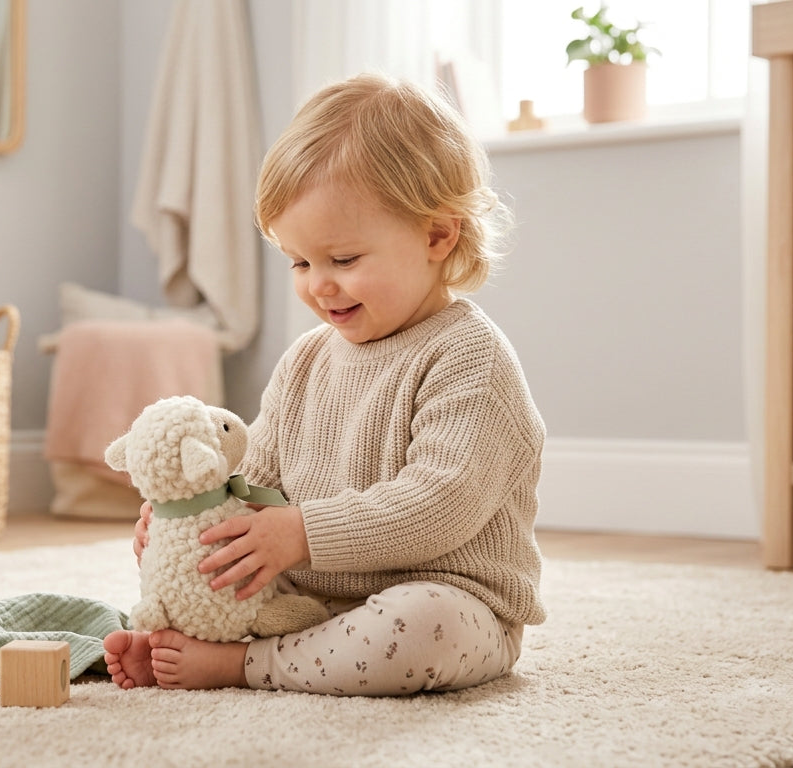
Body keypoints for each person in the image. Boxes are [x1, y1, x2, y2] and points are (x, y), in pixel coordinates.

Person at [103, 72, 546, 696]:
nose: (318, 285)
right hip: (312, 596)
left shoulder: (471, 359)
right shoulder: (307, 359)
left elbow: (439, 506)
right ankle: (198, 641)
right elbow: (261, 479)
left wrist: (301, 534)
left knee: (423, 626)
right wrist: (198, 515)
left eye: (344, 260)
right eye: (300, 262)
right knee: (221, 574)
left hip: (448, 600)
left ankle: (241, 665)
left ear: (437, 237)